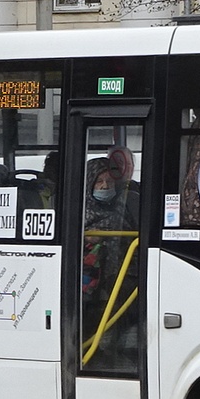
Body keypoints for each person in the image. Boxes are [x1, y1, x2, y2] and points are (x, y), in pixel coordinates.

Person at [81, 157, 139, 369]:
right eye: (99, 182)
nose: (105, 186)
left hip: (121, 276)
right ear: (89, 184)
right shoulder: (77, 213)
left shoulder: (125, 208)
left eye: (109, 182)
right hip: (89, 284)